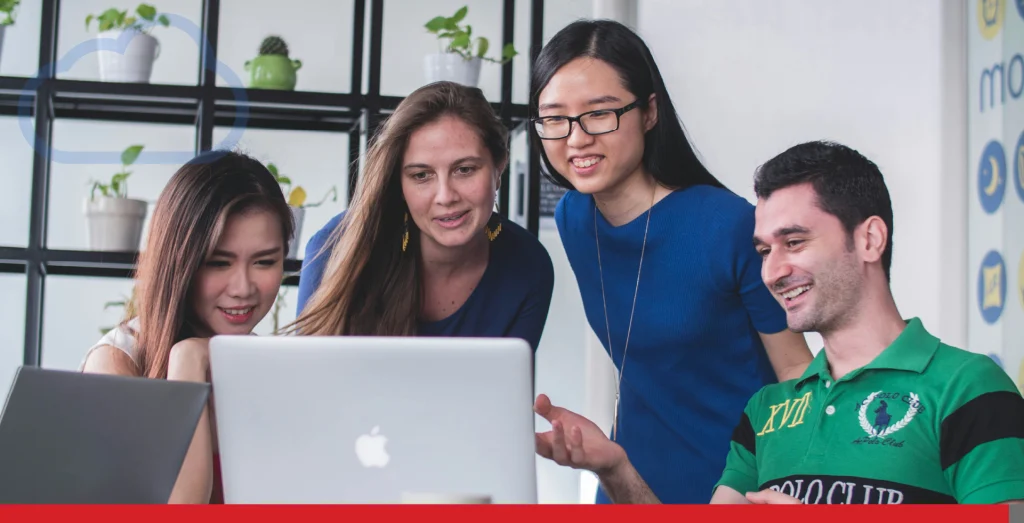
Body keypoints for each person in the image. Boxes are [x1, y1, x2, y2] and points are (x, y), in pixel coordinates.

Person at [533, 141, 1024, 504]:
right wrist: (616, 467)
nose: (772, 270)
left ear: (870, 239)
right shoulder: (765, 411)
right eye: (764, 250)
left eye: (795, 242)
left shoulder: (970, 388)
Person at [528, 19, 812, 503]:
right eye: (554, 118)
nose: (575, 139)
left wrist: (782, 487)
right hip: (628, 483)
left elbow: (796, 376)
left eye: (599, 114)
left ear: (649, 112)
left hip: (736, 486)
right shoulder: (575, 217)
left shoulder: (726, 225)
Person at [80, 150, 294, 504]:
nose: (242, 287)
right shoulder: (116, 364)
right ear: (179, 263)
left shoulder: (265, 364)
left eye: (265, 261)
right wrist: (187, 364)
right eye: (218, 263)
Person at [290, 81, 554, 351]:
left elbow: (506, 389)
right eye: (421, 175)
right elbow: (309, 383)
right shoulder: (336, 246)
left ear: (499, 168)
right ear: (399, 184)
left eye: (464, 169)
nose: (445, 196)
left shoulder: (529, 266)